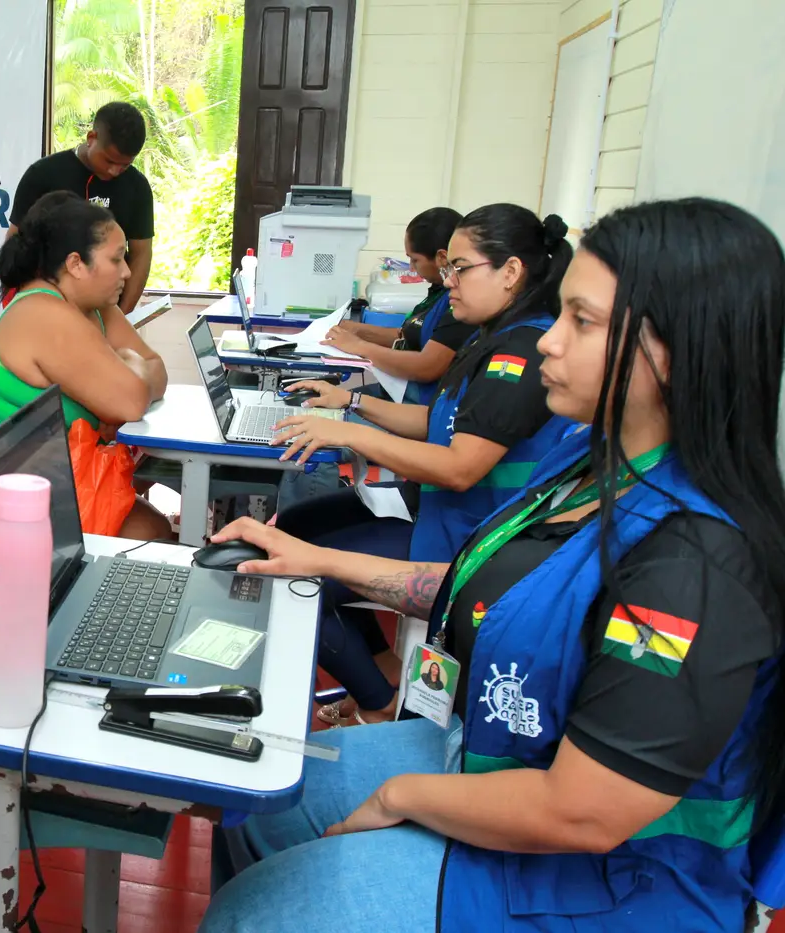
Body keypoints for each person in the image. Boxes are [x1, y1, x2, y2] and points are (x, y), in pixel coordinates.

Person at [200, 197, 785, 933]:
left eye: (582, 322)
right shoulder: (590, 462)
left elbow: (582, 812)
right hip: (491, 752)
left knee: (247, 916)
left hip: (601, 883)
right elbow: (494, 596)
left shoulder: (696, 567)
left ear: (674, 350)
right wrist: (315, 559)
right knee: (257, 796)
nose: (550, 342)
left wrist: (400, 798)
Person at [275, 205, 576, 726]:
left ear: (510, 272)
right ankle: (383, 672)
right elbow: (437, 421)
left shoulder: (522, 352)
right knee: (295, 526)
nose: (447, 279)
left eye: (460, 268)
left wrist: (348, 433)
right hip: (438, 511)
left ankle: (376, 702)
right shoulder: (491, 335)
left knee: (290, 573)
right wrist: (349, 402)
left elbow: (460, 466)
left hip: (468, 536)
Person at [0, 191, 171, 539]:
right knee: (149, 533)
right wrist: (128, 364)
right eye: (116, 259)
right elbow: (132, 402)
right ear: (76, 264)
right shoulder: (44, 314)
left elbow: (156, 371)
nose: (127, 271)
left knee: (151, 516)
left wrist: (129, 370)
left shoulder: (95, 307)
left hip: (47, 467)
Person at [9, 102, 154, 314]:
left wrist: (122, 315)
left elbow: (141, 255)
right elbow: (16, 242)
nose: (114, 171)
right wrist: (29, 304)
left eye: (125, 165)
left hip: (108, 309)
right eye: (109, 161)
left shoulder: (137, 187)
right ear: (91, 138)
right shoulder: (43, 175)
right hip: (47, 307)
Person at [324, 207, 475, 404]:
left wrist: (359, 346)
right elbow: (408, 335)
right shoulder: (438, 293)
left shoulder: (459, 302)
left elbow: (427, 366)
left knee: (338, 406)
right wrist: (356, 330)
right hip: (402, 390)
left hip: (422, 401)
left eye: (415, 259)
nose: (411, 267)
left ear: (442, 258)